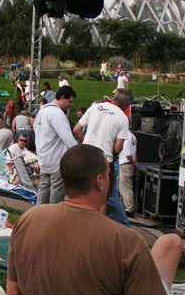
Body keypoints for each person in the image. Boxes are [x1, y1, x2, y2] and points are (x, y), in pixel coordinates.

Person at [7, 144, 185, 295]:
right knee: (170, 243)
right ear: (100, 182)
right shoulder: (125, 241)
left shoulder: (28, 220)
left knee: (168, 243)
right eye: (108, 176)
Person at [73, 89, 134, 227]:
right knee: (103, 197)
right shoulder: (123, 118)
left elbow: (76, 129)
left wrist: (86, 143)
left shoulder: (94, 107)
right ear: (125, 104)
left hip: (85, 155)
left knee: (81, 192)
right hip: (104, 160)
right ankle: (98, 228)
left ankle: (78, 224)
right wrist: (109, 153)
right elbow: (118, 148)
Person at [33, 86, 77, 204]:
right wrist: (79, 153)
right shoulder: (57, 114)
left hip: (44, 158)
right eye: (70, 101)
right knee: (55, 195)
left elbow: (36, 130)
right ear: (63, 98)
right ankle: (52, 218)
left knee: (44, 188)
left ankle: (39, 216)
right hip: (57, 161)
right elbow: (68, 138)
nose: (70, 105)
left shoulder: (42, 111)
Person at [118, 130, 139, 218]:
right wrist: (135, 162)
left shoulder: (125, 136)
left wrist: (133, 162)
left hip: (125, 163)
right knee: (125, 186)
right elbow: (135, 152)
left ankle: (129, 208)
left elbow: (128, 153)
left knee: (125, 187)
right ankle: (127, 206)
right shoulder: (133, 136)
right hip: (129, 164)